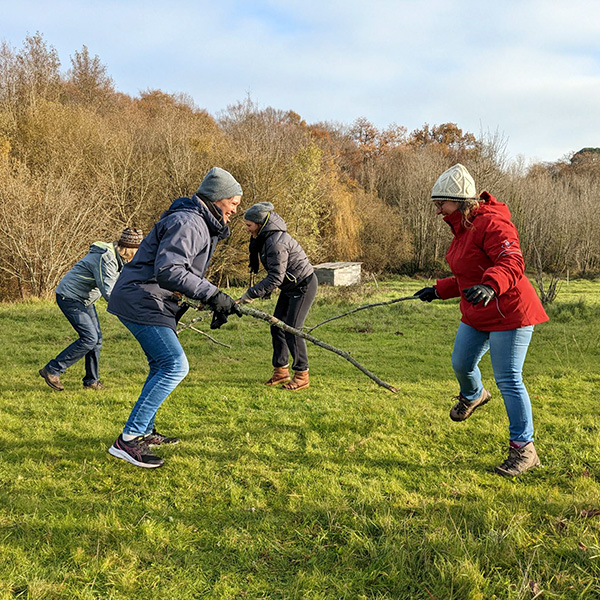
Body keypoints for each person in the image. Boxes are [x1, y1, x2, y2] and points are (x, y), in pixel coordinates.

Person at [415, 163, 549, 477]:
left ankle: (524, 449)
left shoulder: (493, 223)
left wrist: (491, 285)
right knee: (461, 362)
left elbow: (512, 261)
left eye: (441, 203)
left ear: (460, 202)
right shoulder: (462, 229)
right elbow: (468, 275)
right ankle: (474, 395)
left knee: (509, 380)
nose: (438, 211)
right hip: (478, 311)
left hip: (510, 312)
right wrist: (438, 290)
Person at [106, 167, 243, 468]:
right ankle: (127, 441)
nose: (235, 209)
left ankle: (144, 431)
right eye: (233, 202)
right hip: (141, 299)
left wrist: (212, 302)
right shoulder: (189, 222)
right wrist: (211, 293)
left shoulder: (197, 222)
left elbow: (182, 274)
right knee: (174, 365)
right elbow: (169, 271)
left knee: (160, 365)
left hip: (150, 299)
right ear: (218, 198)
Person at [39, 227, 144, 392]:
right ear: (129, 249)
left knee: (97, 340)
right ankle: (52, 369)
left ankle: (91, 381)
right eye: (138, 251)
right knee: (89, 338)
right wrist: (133, 306)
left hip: (84, 300)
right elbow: (109, 292)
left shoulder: (120, 259)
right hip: (70, 297)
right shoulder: (106, 258)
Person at [239, 202, 318, 391]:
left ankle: (302, 375)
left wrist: (249, 295)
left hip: (303, 286)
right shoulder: (264, 238)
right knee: (277, 326)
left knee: (293, 330)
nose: (247, 229)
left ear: (260, 224)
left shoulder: (276, 242)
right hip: (289, 286)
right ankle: (281, 371)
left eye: (249, 225)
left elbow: (275, 278)